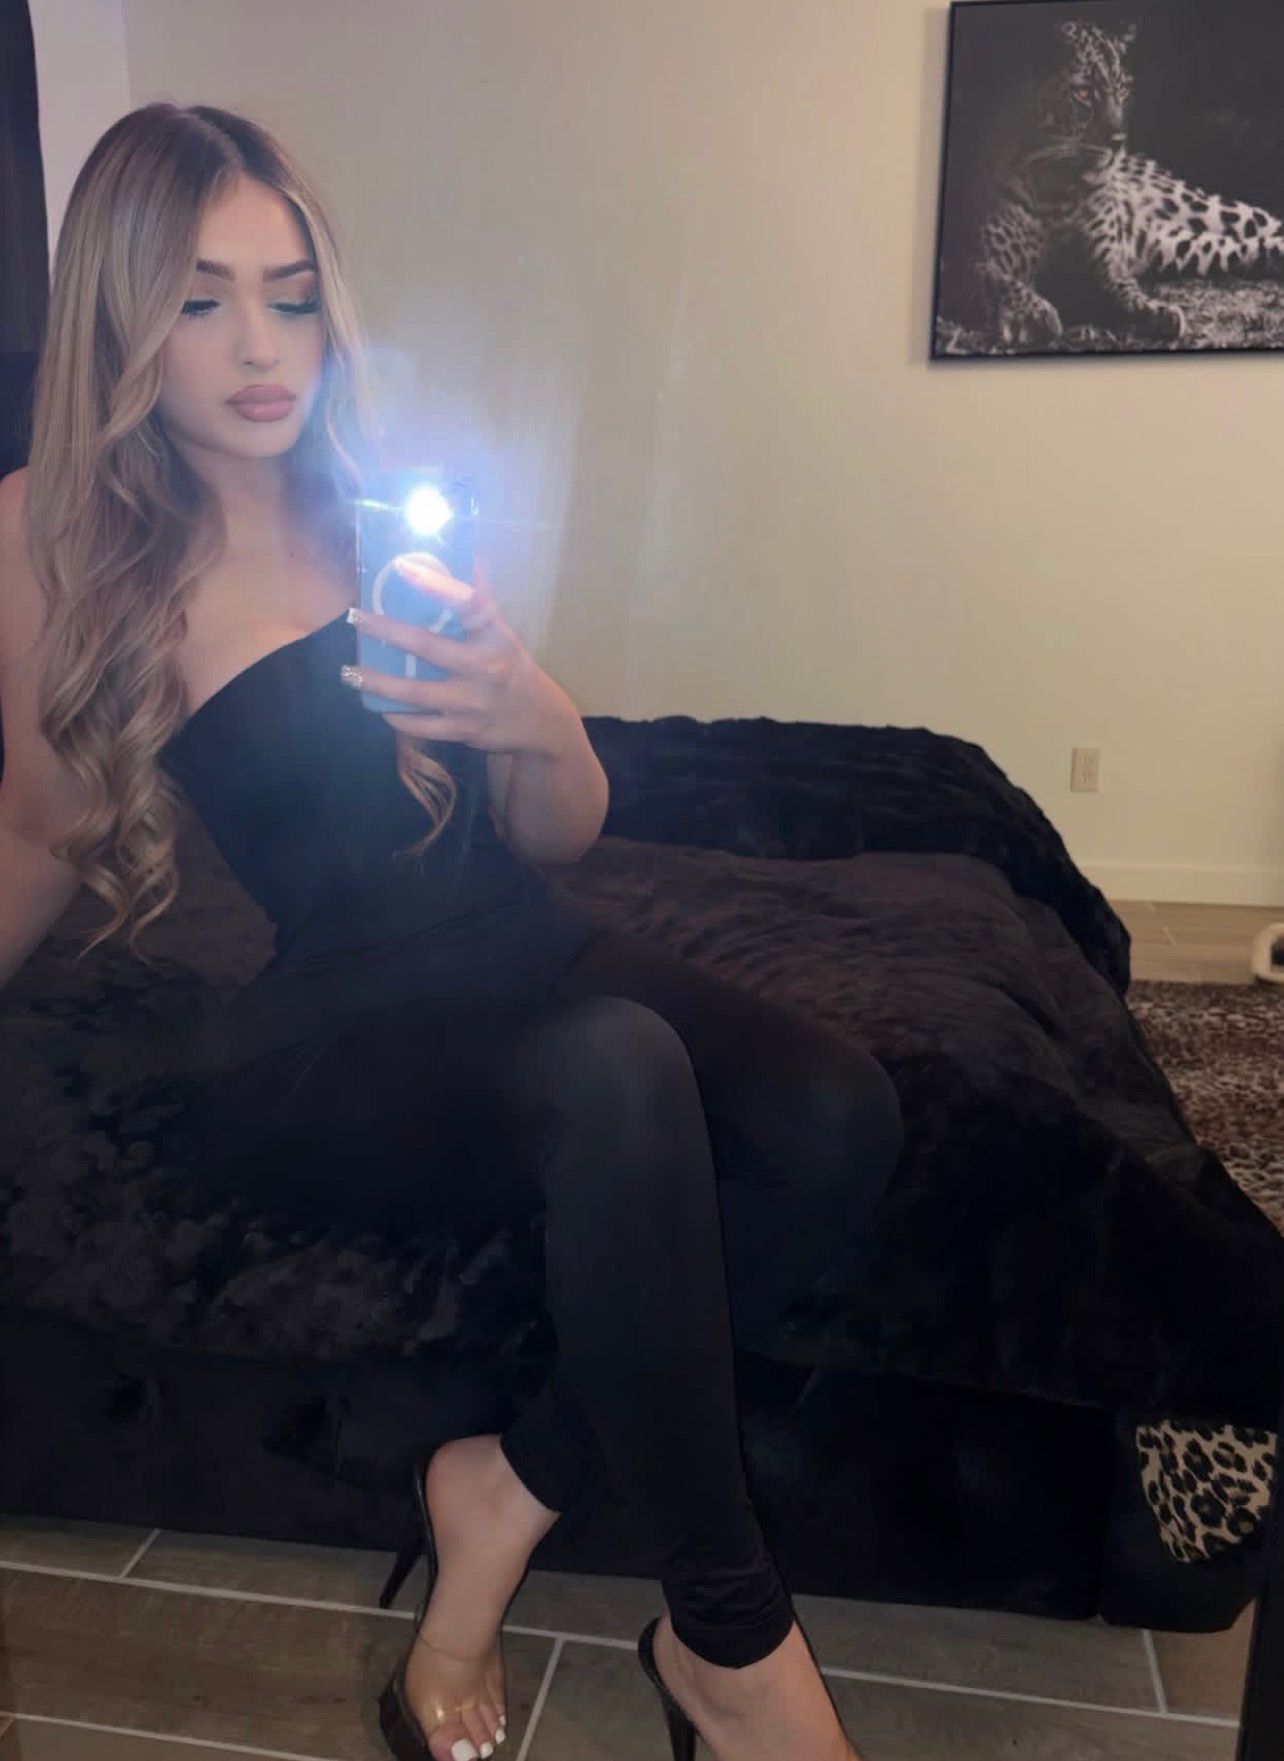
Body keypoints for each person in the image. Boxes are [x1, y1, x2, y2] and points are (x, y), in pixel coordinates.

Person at [0, 104, 904, 1761]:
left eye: (290, 294)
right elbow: (39, 827)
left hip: (518, 939)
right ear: (122, 317)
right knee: (618, 1068)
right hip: (328, 1025)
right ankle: (732, 1642)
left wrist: (528, 713)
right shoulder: (47, 540)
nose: (263, 347)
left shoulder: (382, 501)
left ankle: (502, 1485)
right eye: (201, 300)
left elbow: (563, 827)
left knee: (839, 1107)